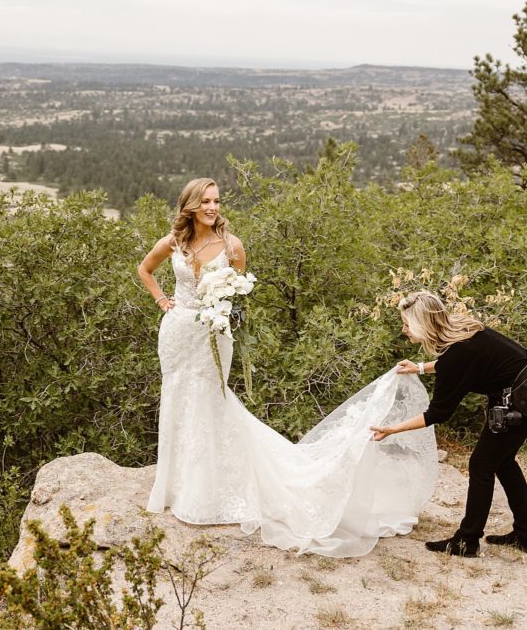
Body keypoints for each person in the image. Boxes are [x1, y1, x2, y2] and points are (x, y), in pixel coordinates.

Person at [138, 178, 439, 557]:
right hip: (179, 331)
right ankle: (175, 484)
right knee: (178, 398)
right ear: (191, 206)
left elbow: (240, 295)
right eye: (206, 202)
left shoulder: (232, 247)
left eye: (217, 201)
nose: (213, 208)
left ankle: (209, 488)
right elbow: (144, 270)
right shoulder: (174, 242)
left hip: (214, 335)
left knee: (211, 400)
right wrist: (163, 301)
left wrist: (225, 316)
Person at [370, 290, 527, 557]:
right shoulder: (459, 328)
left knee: (482, 463)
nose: (404, 329)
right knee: (501, 461)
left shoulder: (459, 350)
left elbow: (438, 413)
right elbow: (456, 364)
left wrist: (391, 429)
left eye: (407, 324)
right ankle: (526, 535)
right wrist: (420, 368)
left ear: (422, 324)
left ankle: (467, 541)